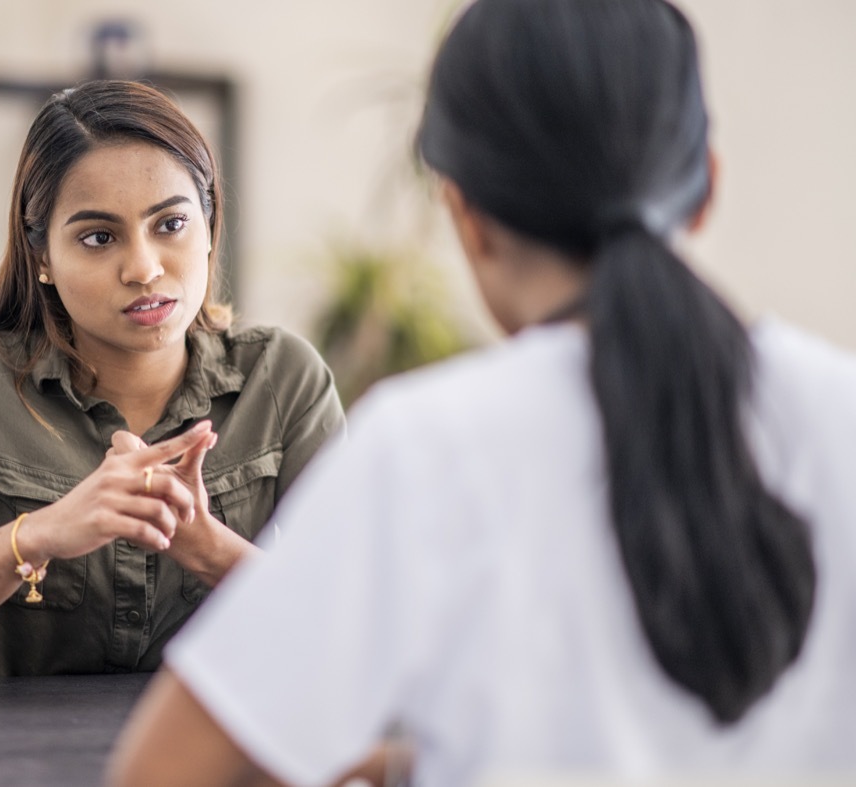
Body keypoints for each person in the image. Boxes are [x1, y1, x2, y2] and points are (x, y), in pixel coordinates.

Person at [107, 1, 856, 784]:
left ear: (465, 213)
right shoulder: (843, 414)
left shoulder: (427, 446)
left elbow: (164, 770)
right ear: (706, 186)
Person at [0, 80, 344, 697]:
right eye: (99, 237)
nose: (144, 269)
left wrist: (208, 548)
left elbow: (362, 634)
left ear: (209, 224)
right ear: (42, 256)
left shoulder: (283, 379)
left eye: (170, 223)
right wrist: (36, 536)